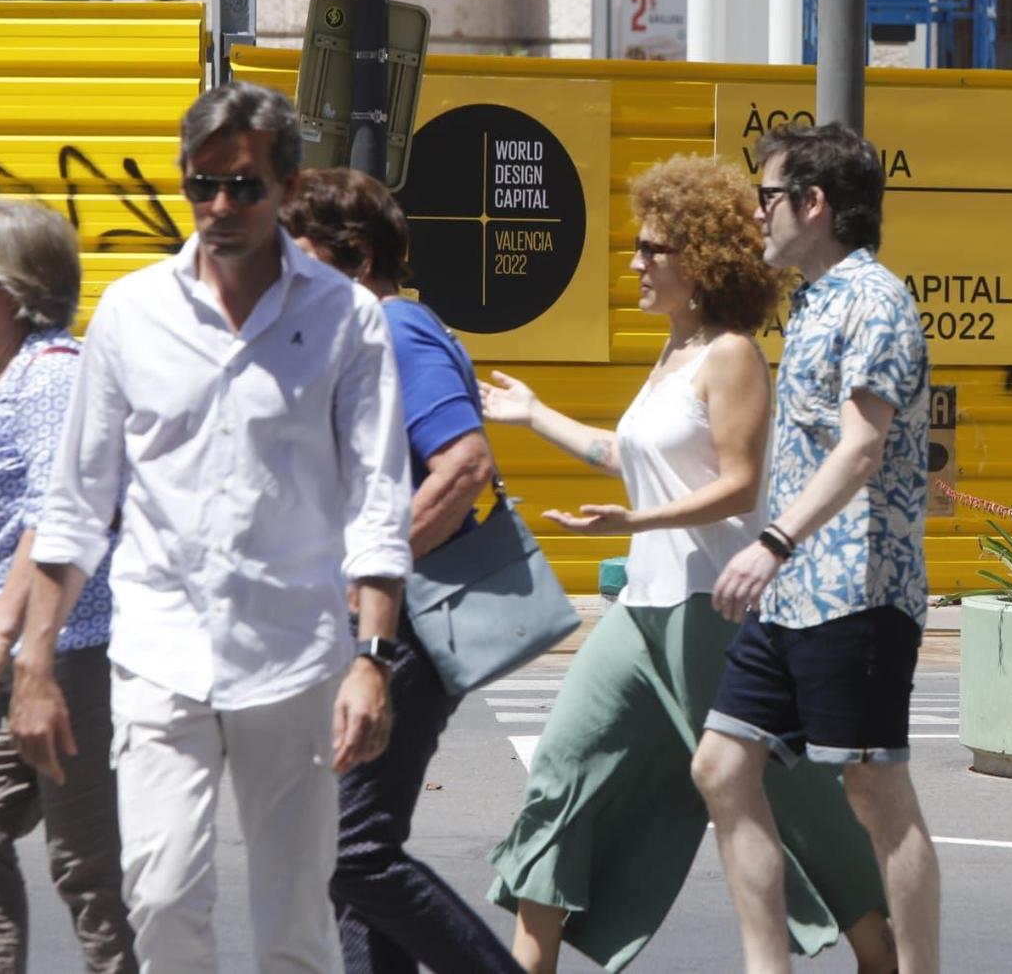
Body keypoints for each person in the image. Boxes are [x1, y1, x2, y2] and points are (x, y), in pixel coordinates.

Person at [8, 83, 414, 972]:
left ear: (287, 185)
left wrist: (372, 660)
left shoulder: (346, 319)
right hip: (159, 653)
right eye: (202, 186)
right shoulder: (132, 312)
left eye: (244, 187)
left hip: (295, 659)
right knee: (159, 898)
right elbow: (78, 503)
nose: (220, 207)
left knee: (295, 925)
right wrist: (33, 659)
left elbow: (378, 503)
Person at [480, 153, 893, 973]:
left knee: (794, 802)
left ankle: (884, 951)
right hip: (640, 614)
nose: (634, 262)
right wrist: (533, 415)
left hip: (716, 614)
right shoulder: (673, 354)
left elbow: (740, 487)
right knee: (561, 776)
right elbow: (627, 455)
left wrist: (634, 517)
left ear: (700, 262)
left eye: (651, 248)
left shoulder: (732, 354)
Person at [689, 122, 941, 974]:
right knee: (722, 766)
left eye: (768, 197)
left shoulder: (875, 301)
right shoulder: (817, 299)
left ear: (814, 203)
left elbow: (861, 446)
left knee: (875, 788)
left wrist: (771, 540)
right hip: (795, 592)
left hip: (858, 588)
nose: (757, 213)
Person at [277, 168, 524, 973]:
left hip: (407, 623)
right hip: (390, 619)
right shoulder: (369, 326)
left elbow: (464, 465)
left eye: (297, 248)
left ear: (351, 255)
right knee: (356, 856)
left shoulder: (394, 325)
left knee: (350, 850)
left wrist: (367, 576)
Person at [0, 200, 137, 972]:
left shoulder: (51, 378)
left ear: (14, 286)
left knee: (90, 872)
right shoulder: (3, 373)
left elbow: (56, 516)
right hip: (19, 665)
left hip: (73, 652)